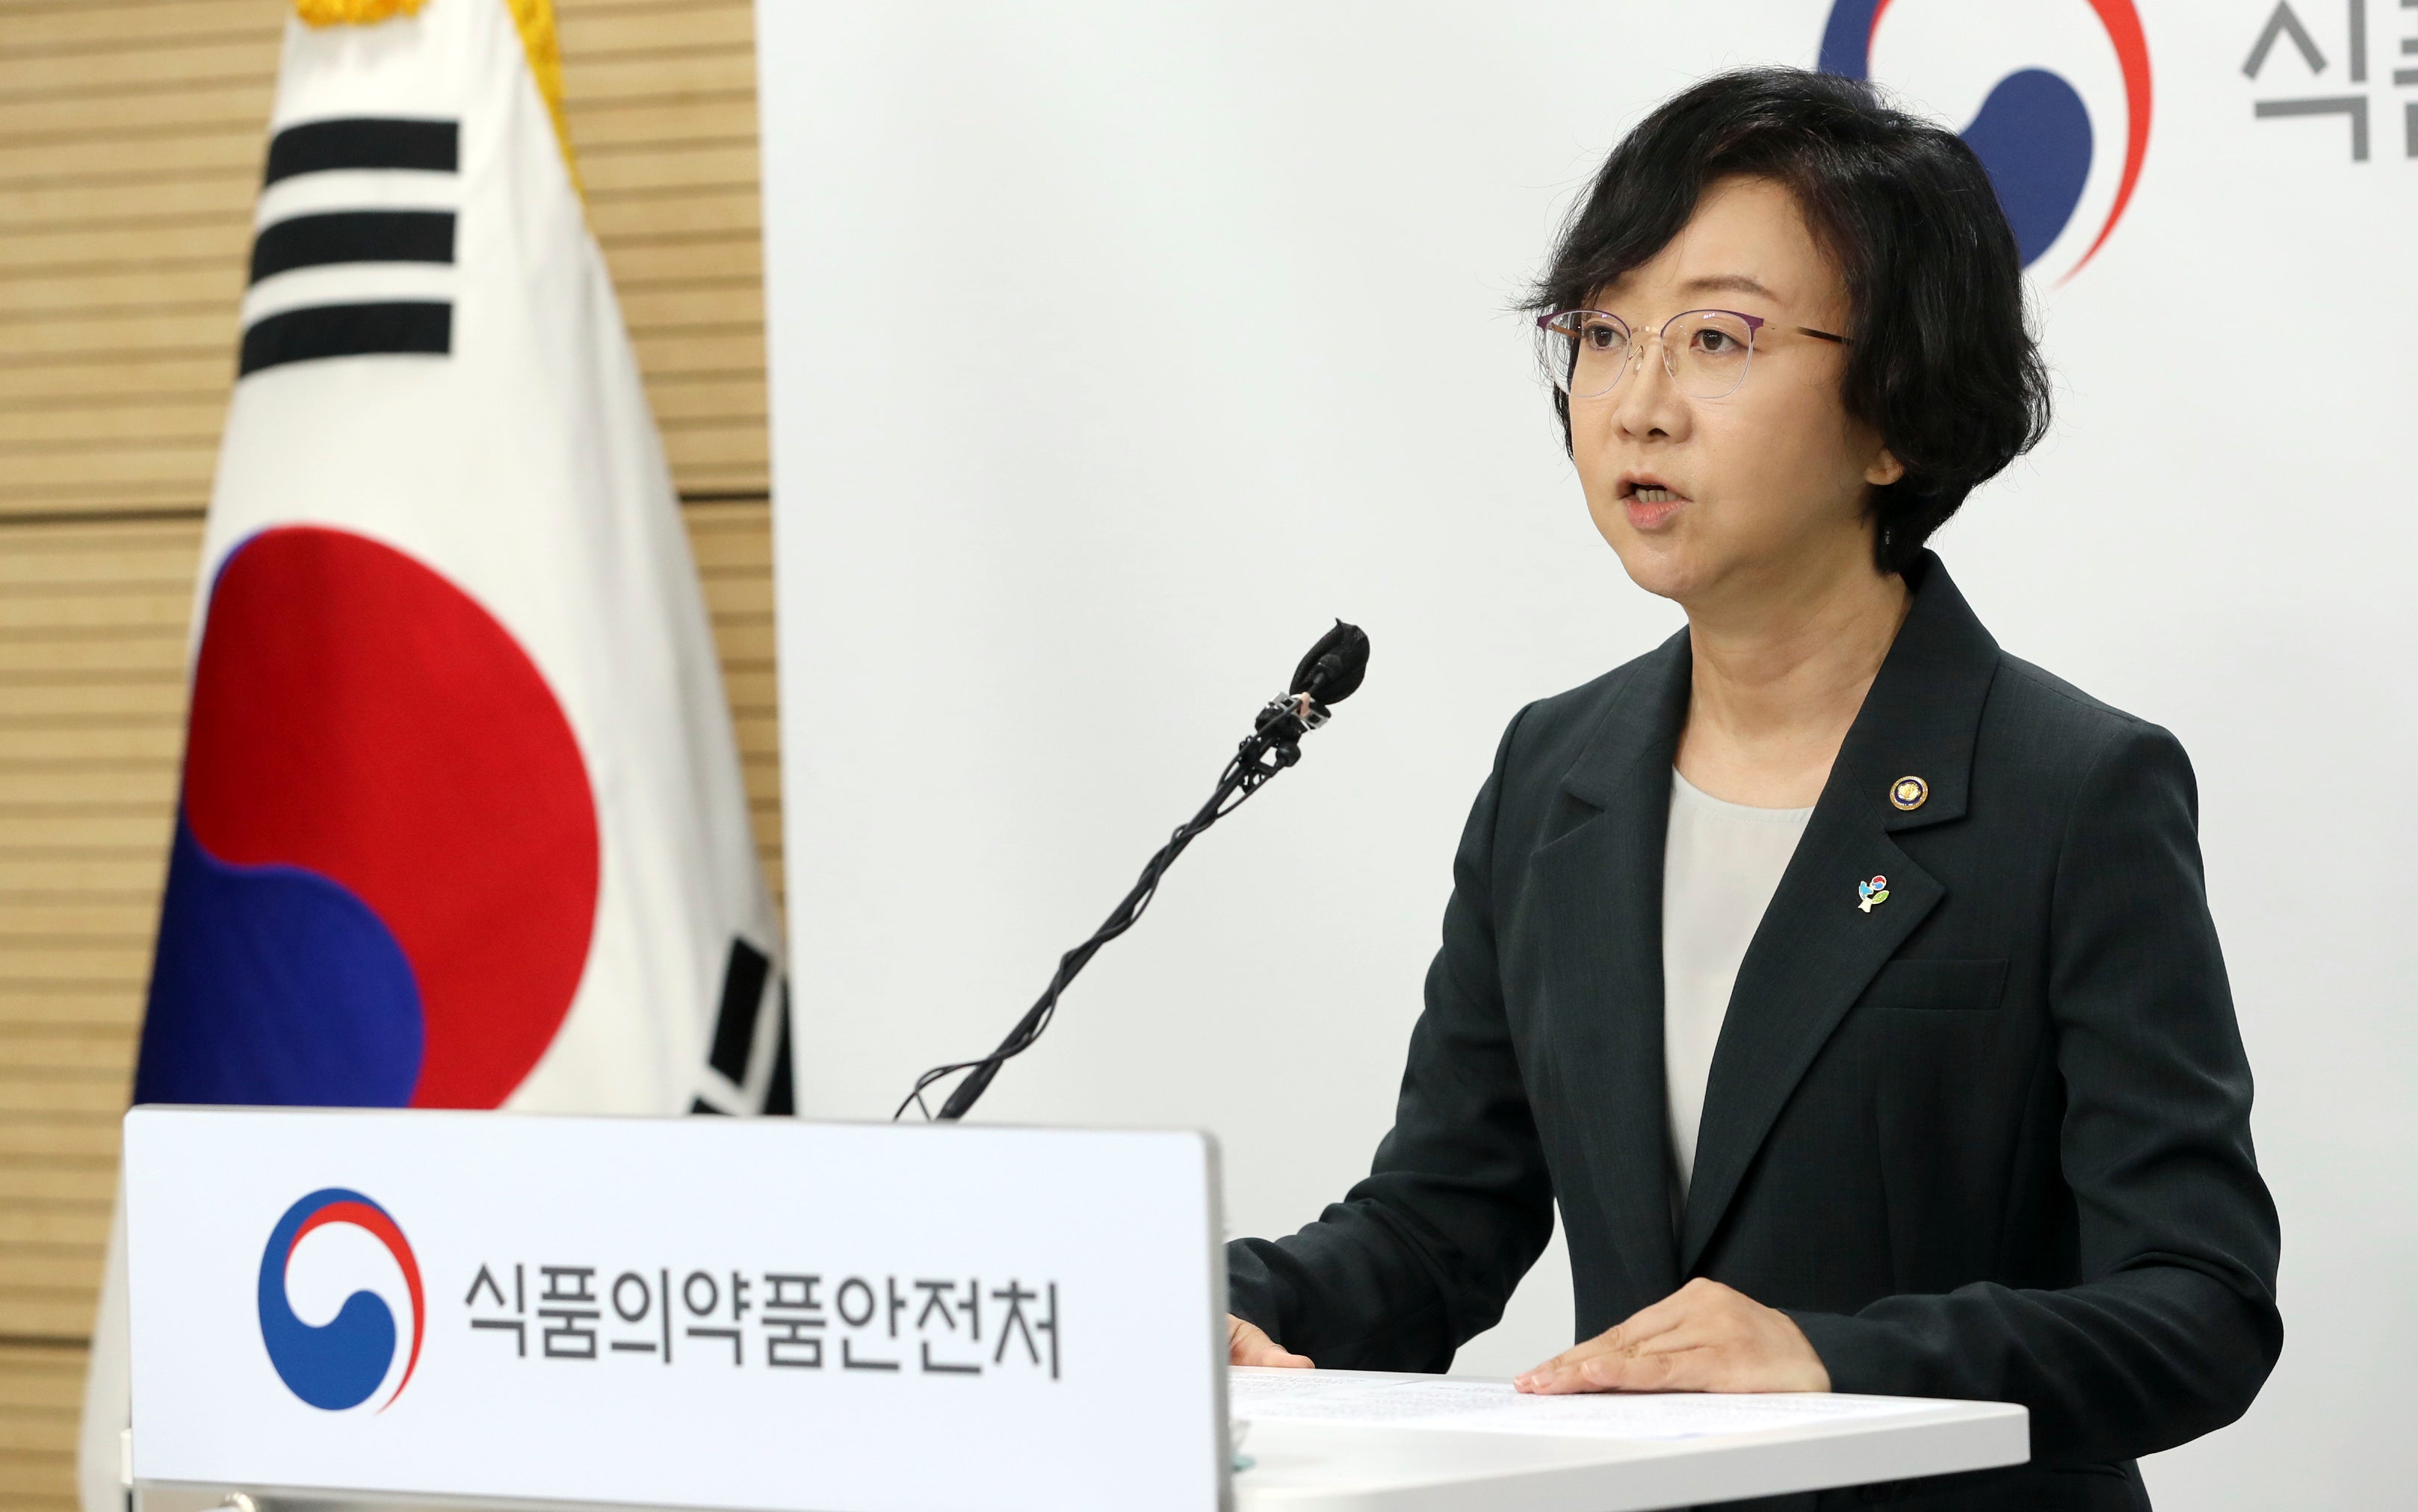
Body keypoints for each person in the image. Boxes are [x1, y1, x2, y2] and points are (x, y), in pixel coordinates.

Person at [1223, 68, 2281, 1511]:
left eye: (1717, 338)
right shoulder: (1557, 775)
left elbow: (2199, 1306)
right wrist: (1198, 1303)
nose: (1638, 405)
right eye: (1603, 332)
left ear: (1895, 414)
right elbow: (1438, 1227)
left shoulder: (2072, 790)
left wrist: (1834, 1363)